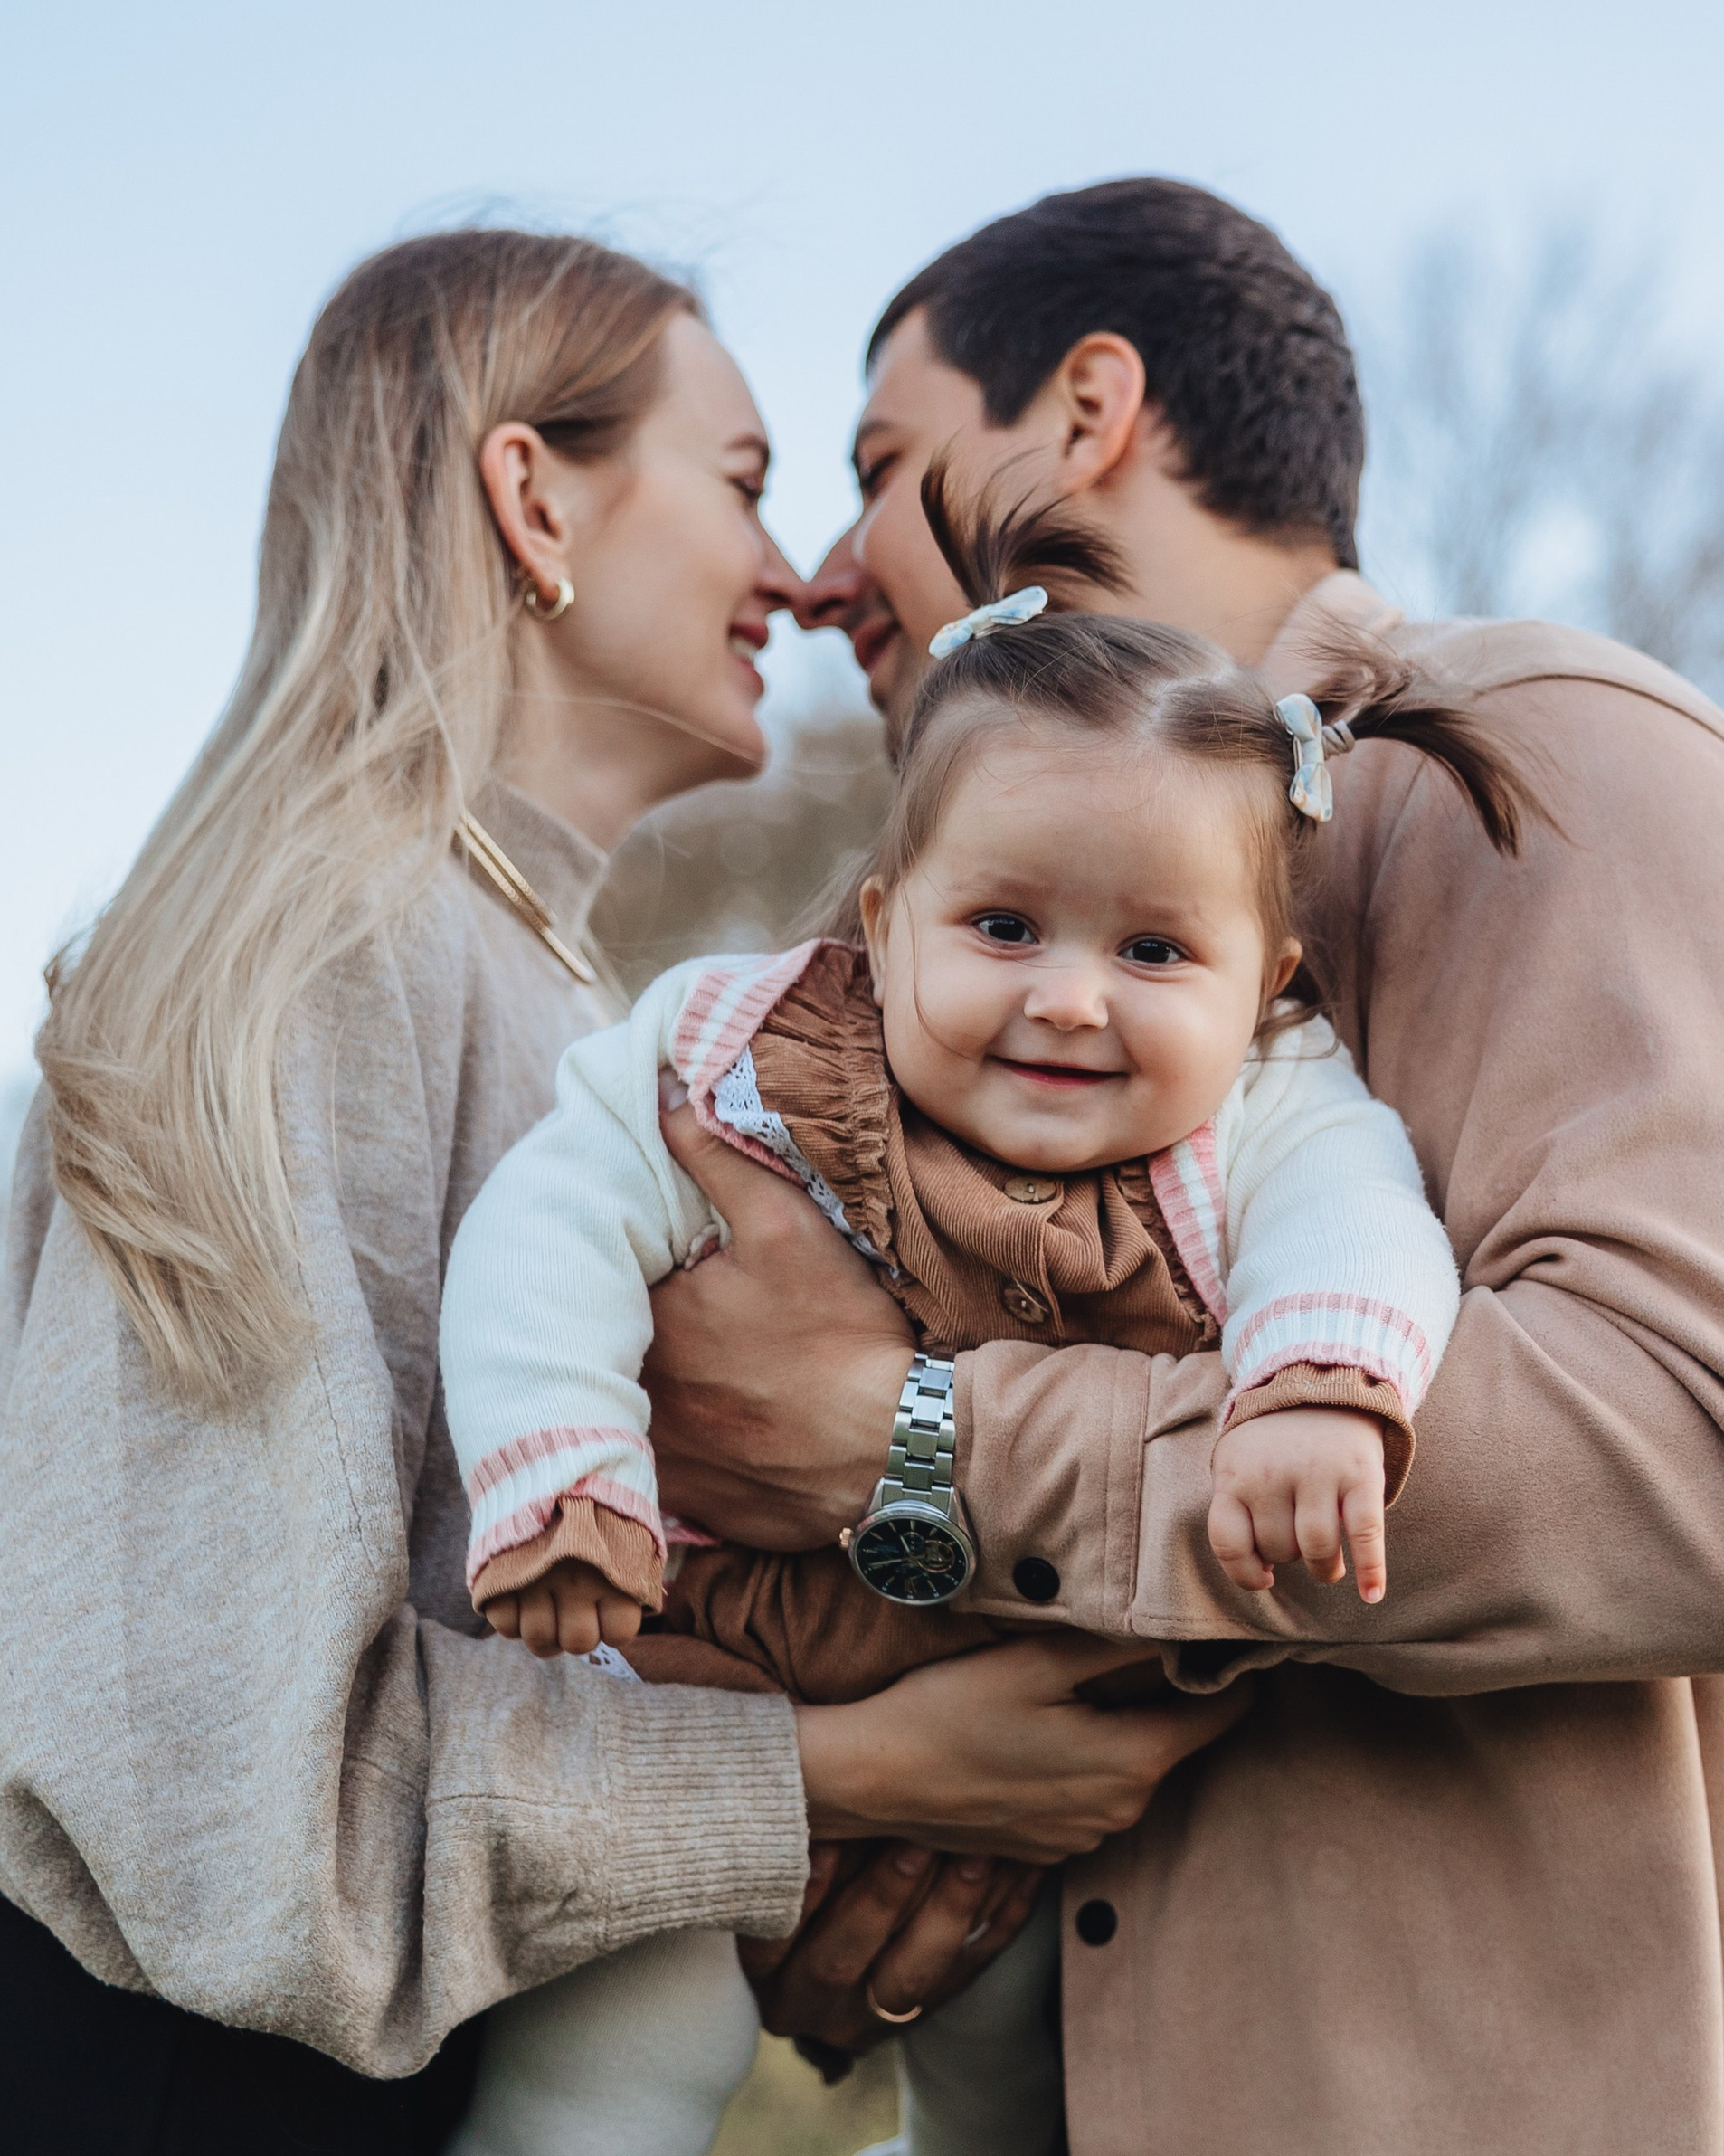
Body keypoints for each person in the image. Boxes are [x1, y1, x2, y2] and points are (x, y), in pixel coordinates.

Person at [0, 226, 1241, 2156]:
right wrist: (842, 1771)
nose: (805, 574)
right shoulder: (311, 949)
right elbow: (216, 1792)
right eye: (745, 484)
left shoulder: (570, 998)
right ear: (531, 492)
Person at [640, 180, 1724, 2154]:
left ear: (1085, 409)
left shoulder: (1538, 758)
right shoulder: (898, 966)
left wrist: (916, 1442)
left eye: (877, 464)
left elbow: (1683, 1447)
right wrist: (849, 1827)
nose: (818, 567)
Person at [437, 480, 1542, 2153]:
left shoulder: (1269, 1110)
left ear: (1267, 989)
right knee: (614, 2041)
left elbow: (1359, 1217)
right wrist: (563, 1469)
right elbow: (549, 1225)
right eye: (1003, 925)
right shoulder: (747, 1062)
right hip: (705, 1668)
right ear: (884, 929)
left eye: (1156, 948)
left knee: (1026, 2063)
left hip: (1030, 1737)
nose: (1068, 996)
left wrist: (1319, 1383)